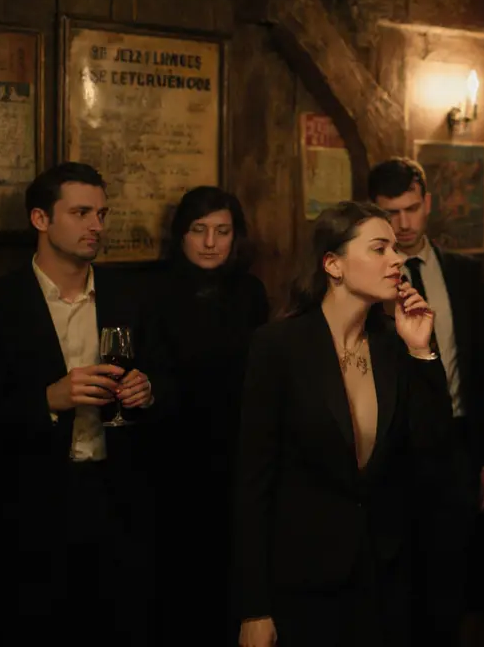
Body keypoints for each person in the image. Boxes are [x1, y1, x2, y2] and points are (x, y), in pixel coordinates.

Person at [233, 201, 454, 647]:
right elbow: (253, 482)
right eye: (379, 248)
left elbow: (433, 450)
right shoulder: (279, 347)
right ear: (333, 264)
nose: (396, 260)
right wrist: (254, 607)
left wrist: (421, 351)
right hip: (305, 582)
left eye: (395, 248)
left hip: (385, 576)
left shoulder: (393, 345)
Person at [0, 162, 172, 645]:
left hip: (118, 496)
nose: (96, 226)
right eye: (81, 213)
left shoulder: (131, 296)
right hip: (32, 505)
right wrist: (49, 399)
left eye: (101, 214)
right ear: (40, 219)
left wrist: (148, 391)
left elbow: (171, 380)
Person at [368, 157, 484, 639]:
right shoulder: (364, 277)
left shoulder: (463, 272)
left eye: (411, 208)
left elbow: (483, 366)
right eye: (391, 213)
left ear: (427, 203)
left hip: (456, 442)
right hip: (387, 446)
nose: (404, 223)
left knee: (450, 578)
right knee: (392, 584)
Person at [153, 186, 269, 644]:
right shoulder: (154, 290)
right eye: (198, 230)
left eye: (222, 231)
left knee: (233, 576)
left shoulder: (250, 292)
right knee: (179, 584)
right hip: (172, 456)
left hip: (238, 452)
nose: (209, 242)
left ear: (236, 236)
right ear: (180, 234)